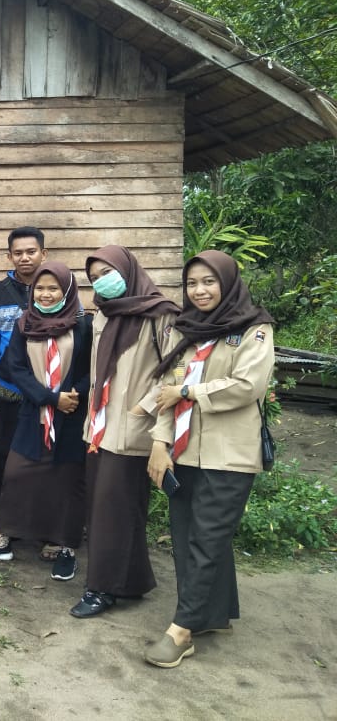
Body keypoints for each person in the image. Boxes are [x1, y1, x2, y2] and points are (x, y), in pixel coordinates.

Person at [143, 250, 274, 669]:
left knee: (208, 538)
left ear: (228, 283)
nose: (199, 291)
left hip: (229, 454)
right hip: (184, 452)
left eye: (208, 281)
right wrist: (160, 443)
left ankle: (182, 631)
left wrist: (190, 392)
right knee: (186, 538)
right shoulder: (186, 330)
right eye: (192, 283)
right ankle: (212, 615)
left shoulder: (254, 328)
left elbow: (247, 385)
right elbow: (166, 390)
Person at [70, 246, 180, 618]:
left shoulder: (161, 314)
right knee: (111, 507)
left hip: (134, 430)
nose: (101, 281)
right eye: (94, 277)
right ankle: (132, 581)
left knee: (112, 510)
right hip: (100, 428)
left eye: (107, 272)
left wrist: (143, 407)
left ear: (128, 270)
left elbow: (176, 371)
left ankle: (101, 588)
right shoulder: (104, 313)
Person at [0, 262, 91, 584]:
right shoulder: (24, 324)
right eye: (40, 288)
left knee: (67, 482)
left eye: (53, 288)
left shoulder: (83, 325)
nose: (46, 294)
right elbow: (16, 368)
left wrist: (73, 395)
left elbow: (90, 369)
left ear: (67, 290)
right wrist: (49, 398)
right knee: (16, 474)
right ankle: (2, 542)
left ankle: (65, 549)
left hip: (70, 416)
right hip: (33, 412)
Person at [0, 226, 48, 527]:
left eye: (31, 252)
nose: (25, 258)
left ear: (44, 253)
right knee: (5, 453)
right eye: (18, 253)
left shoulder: (57, 287)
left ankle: (42, 519)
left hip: (48, 389)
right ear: (9, 257)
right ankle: (2, 512)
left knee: (46, 456)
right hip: (9, 389)